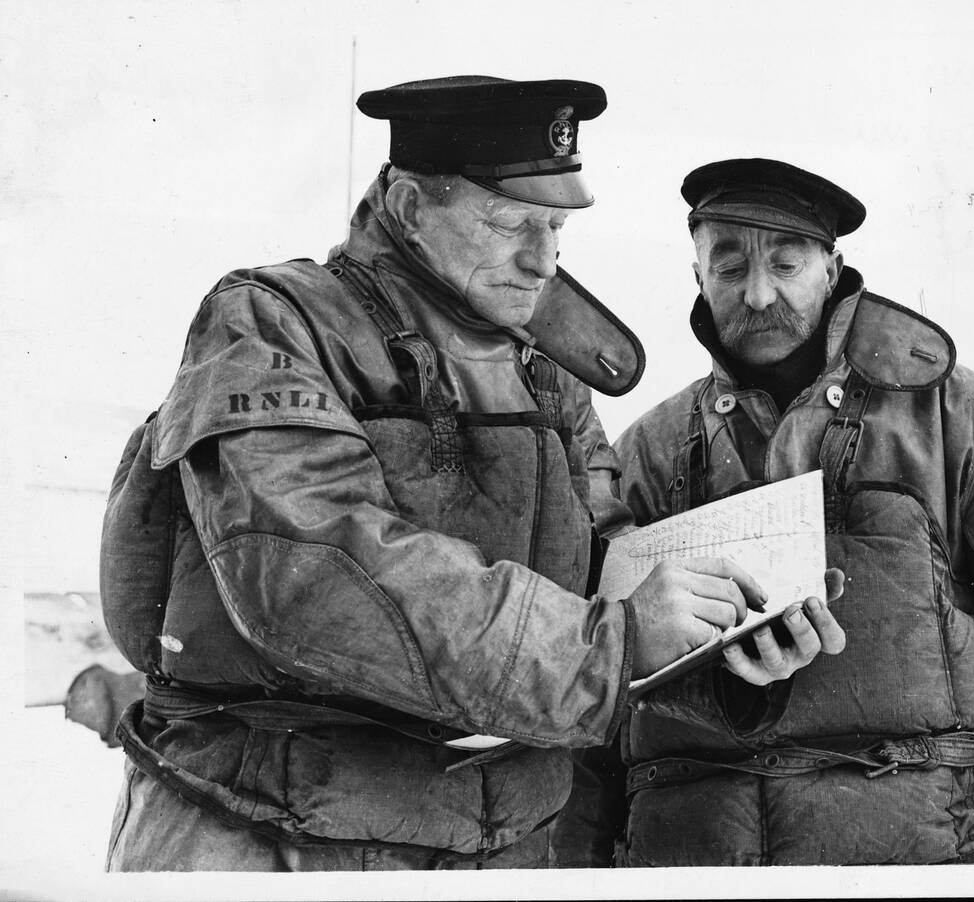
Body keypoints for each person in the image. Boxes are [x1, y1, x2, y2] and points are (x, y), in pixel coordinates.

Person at [100, 80, 845, 871]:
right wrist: (616, 644)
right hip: (268, 836)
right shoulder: (274, 323)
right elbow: (316, 575)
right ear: (415, 207)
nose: (544, 258)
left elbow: (601, 555)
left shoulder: (546, 369)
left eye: (556, 225)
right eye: (513, 223)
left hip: (502, 848)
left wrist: (722, 636)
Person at [553, 157, 974, 866]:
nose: (757, 295)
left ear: (831, 268)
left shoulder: (963, 418)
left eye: (785, 264)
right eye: (728, 268)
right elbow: (590, 716)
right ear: (696, 277)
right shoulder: (649, 456)